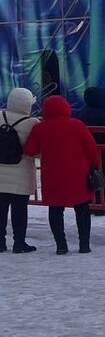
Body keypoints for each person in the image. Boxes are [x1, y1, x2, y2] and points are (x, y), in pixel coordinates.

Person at [23, 95, 100, 255]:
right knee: (82, 208)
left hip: (52, 174)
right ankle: (84, 245)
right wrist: (95, 165)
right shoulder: (77, 125)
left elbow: (30, 150)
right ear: (66, 107)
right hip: (78, 173)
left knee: (55, 209)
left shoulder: (40, 128)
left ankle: (61, 245)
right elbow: (91, 148)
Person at [0, 87, 40, 253]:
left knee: (0, 210)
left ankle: (0, 243)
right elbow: (36, 151)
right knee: (20, 211)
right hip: (21, 173)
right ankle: (19, 243)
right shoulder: (32, 123)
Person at [76, 87, 105, 213]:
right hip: (103, 152)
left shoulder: (81, 113)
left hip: (84, 152)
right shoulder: (103, 114)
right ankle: (101, 203)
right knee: (102, 177)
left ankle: (91, 202)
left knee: (89, 177)